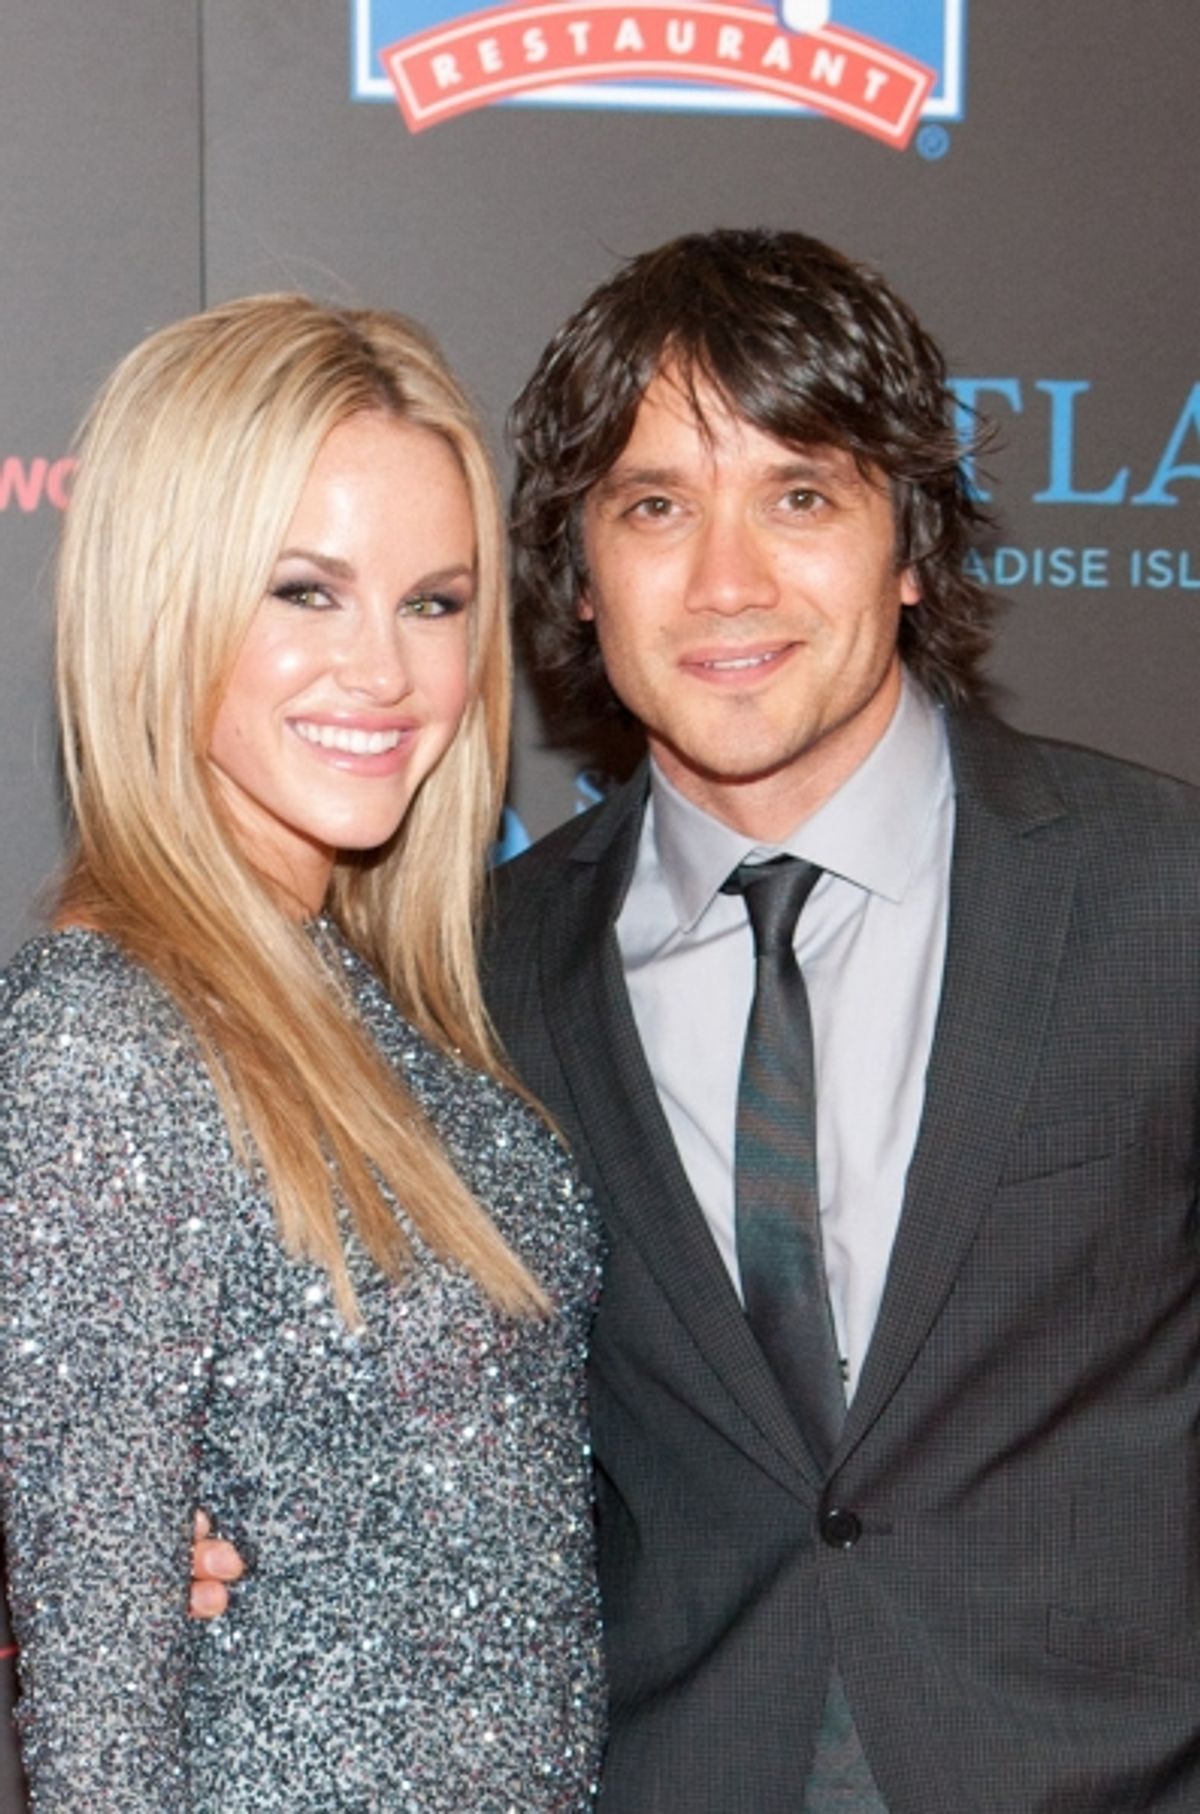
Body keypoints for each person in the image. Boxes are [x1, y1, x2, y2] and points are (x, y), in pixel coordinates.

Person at [192, 230, 1200, 1811]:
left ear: (910, 543)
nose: (727, 580)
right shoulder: (466, 982)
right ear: (579, 580)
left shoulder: (1163, 895)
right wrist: (218, 1522)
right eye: (656, 507)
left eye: (800, 494)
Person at [0, 294, 604, 1810]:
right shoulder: (110, 1031)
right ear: (167, 600)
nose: (387, 673)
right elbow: (100, 1716)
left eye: (434, 601)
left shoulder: (386, 1001)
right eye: (305, 591)